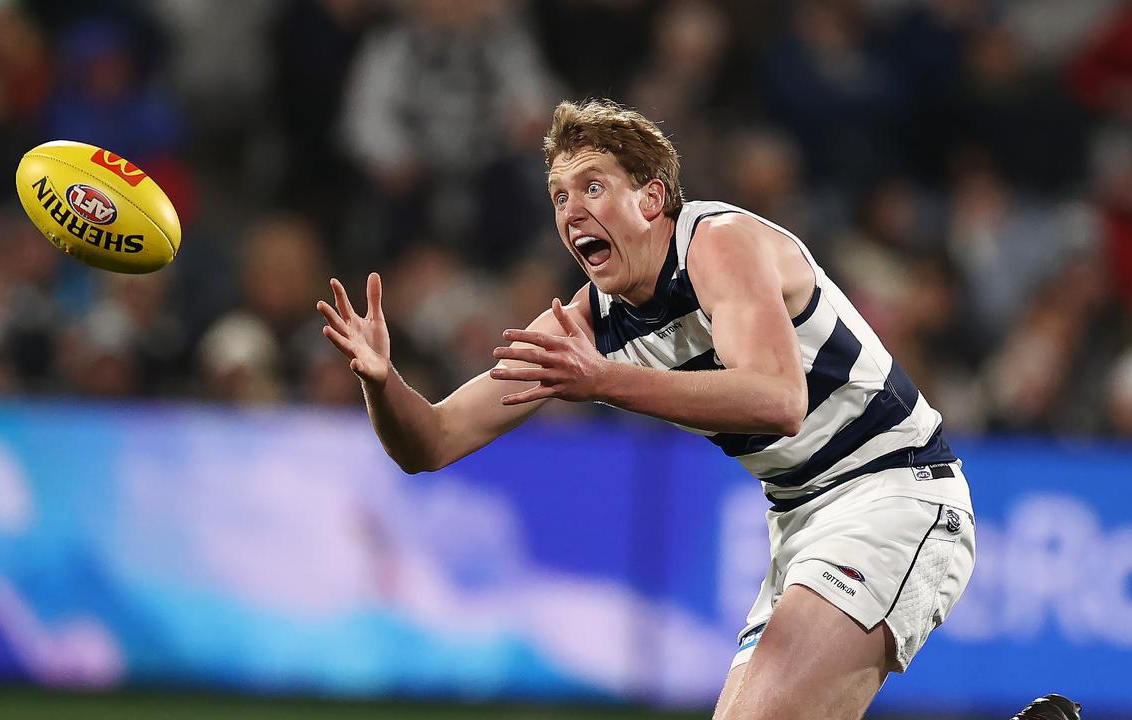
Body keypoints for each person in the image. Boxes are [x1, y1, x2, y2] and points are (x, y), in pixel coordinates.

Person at [317, 99, 1079, 720]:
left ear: (652, 198)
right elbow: (434, 441)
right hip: (802, 521)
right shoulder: (587, 326)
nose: (571, 209)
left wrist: (603, 384)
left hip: (896, 493)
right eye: (558, 195)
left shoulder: (718, 243)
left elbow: (777, 399)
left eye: (592, 185)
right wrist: (383, 383)